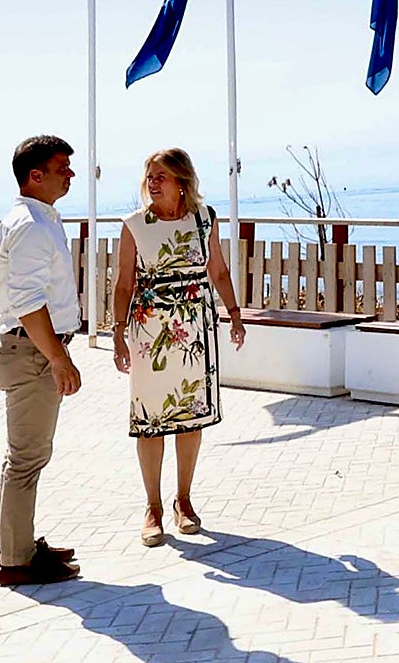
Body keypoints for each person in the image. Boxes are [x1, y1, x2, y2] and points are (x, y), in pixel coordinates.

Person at [112, 148, 245, 547]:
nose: (153, 183)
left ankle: (183, 500)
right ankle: (152, 506)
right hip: (149, 331)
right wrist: (117, 332)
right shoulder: (135, 224)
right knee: (151, 419)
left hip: (194, 327)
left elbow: (217, 269)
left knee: (190, 416)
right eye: (149, 176)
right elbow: (123, 283)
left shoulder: (205, 219)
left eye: (161, 177)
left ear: (182, 182)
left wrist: (234, 313)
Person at [0, 135, 84, 586]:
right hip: (32, 353)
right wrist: (59, 358)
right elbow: (27, 303)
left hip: (30, 350)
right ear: (35, 175)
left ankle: (20, 546)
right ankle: (15, 562)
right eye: (62, 166)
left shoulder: (37, 219)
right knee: (25, 459)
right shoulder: (31, 225)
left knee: (28, 456)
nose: (70, 174)